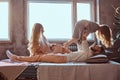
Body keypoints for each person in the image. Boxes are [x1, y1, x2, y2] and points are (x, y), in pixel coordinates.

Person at [6, 31, 104, 63]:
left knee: (39, 57)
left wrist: (83, 38)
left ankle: (16, 58)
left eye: (98, 47)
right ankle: (20, 58)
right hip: (63, 57)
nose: (96, 46)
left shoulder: (88, 54)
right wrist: (80, 39)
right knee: (40, 56)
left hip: (63, 58)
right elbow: (81, 48)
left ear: (97, 52)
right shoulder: (86, 53)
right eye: (97, 45)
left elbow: (84, 46)